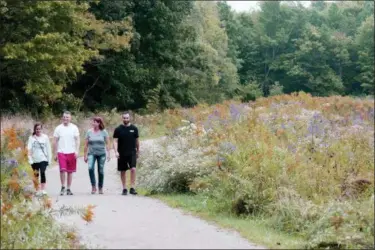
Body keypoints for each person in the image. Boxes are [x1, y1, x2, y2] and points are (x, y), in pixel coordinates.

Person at [53, 111, 80, 196]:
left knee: (70, 171)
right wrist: (55, 153)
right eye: (64, 117)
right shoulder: (58, 128)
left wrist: (77, 151)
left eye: (67, 117)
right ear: (62, 118)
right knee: (62, 170)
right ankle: (63, 186)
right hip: (61, 152)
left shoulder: (74, 128)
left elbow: (77, 140)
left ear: (70, 118)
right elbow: (55, 141)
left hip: (71, 152)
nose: (65, 119)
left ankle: (68, 188)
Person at [113, 111, 139, 195]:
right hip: (121, 153)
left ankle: (132, 187)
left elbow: (137, 141)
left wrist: (138, 151)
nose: (126, 119)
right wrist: (116, 151)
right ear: (122, 118)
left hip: (132, 152)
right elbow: (115, 141)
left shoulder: (134, 128)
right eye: (124, 118)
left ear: (129, 118)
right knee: (123, 171)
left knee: (133, 169)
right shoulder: (118, 129)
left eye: (127, 118)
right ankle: (124, 188)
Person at [83, 116, 111, 194]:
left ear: (99, 123)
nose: (93, 123)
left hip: (101, 153)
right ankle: (93, 186)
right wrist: (85, 155)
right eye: (93, 121)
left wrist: (109, 154)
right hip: (91, 153)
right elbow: (86, 144)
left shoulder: (104, 132)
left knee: (101, 170)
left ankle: (100, 187)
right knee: (90, 168)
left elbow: (108, 143)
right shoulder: (89, 132)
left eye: (94, 122)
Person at [27, 122, 52, 196]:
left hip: (43, 158)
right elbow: (29, 149)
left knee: (43, 172)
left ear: (41, 129)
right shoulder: (31, 138)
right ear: (35, 129)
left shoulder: (45, 137)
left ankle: (43, 189)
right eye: (37, 129)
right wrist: (30, 159)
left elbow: (48, 148)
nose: (38, 130)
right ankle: (37, 189)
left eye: (39, 129)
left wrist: (49, 159)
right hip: (35, 159)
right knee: (36, 175)